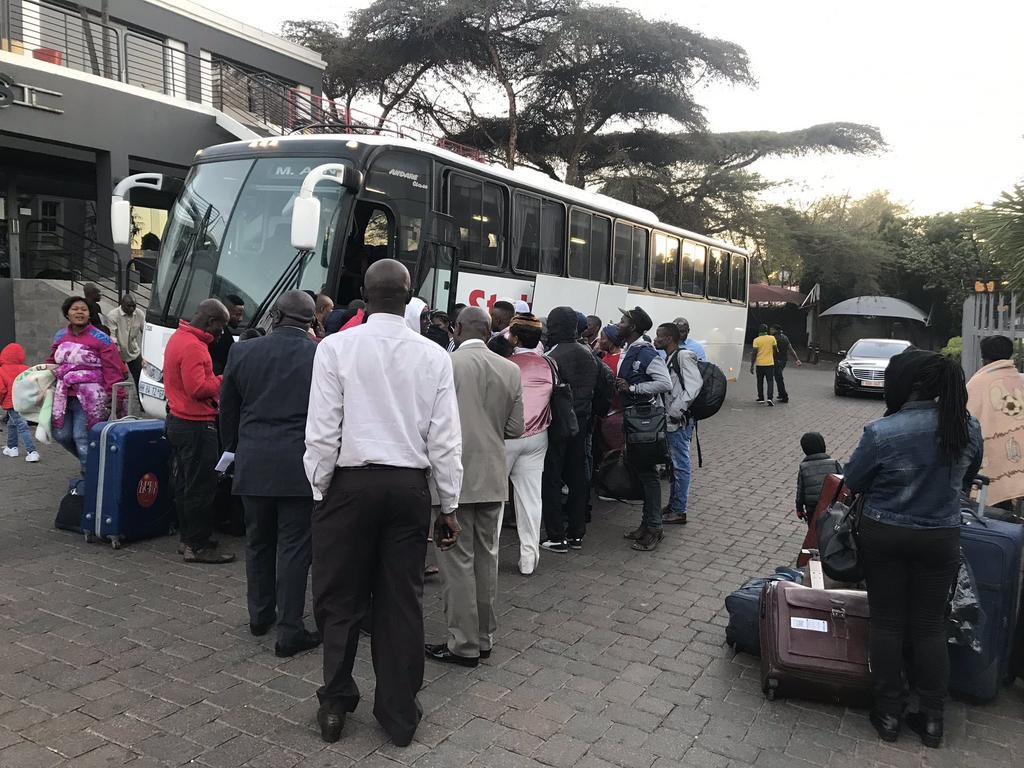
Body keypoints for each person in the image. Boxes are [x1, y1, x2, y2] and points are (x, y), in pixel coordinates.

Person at [304, 259, 463, 748]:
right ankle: (398, 714)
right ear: (410, 295)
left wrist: (319, 487)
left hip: (350, 485)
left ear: (366, 295)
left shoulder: (335, 348)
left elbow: (322, 430)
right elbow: (445, 440)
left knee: (339, 599)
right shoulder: (434, 356)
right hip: (407, 488)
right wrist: (448, 503)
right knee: (401, 603)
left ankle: (334, 701)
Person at [844, 349, 982, 748]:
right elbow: (968, 476)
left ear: (912, 384)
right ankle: (933, 719)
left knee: (887, 622)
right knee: (930, 625)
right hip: (941, 536)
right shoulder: (968, 429)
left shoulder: (883, 431)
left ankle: (889, 714)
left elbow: (854, 478)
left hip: (884, 533)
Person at [219, 291, 321, 658]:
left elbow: (227, 411)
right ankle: (290, 630)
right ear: (311, 321)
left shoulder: (243, 351)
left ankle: (260, 615)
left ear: (276, 315)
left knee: (258, 541)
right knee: (294, 549)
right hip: (300, 465)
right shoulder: (320, 355)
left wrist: (234, 449)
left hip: (254, 461)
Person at [426, 307, 523, 667]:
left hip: (453, 476)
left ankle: (462, 643)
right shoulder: (511, 370)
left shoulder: (446, 365)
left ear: (458, 329)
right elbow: (515, 428)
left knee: (456, 563)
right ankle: (483, 637)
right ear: (488, 331)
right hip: (493, 476)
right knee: (487, 559)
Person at [164, 299, 235, 565]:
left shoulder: (179, 338)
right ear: (211, 321)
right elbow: (198, 389)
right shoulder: (195, 347)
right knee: (201, 486)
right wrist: (223, 377)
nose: (222, 332)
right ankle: (198, 545)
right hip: (195, 424)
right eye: (222, 325)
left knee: (185, 483)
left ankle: (189, 538)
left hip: (179, 421)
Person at [540, 306, 606, 553]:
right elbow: (603, 386)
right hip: (583, 423)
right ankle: (577, 533)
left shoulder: (551, 356)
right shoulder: (588, 353)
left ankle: (556, 535)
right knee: (579, 478)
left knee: (552, 479)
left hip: (557, 425)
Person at [46, 296, 126, 474]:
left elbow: (113, 370)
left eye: (84, 309)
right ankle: (93, 461)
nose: (79, 312)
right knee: (61, 434)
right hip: (64, 396)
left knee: (81, 436)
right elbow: (52, 362)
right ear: (67, 313)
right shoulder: (60, 336)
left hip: (91, 398)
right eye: (75, 309)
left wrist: (117, 397)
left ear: (90, 314)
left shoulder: (101, 339)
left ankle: (90, 477)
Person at [616, 307, 672, 551]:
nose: (619, 324)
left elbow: (664, 383)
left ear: (634, 327)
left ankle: (655, 528)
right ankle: (647, 523)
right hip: (634, 420)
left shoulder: (647, 353)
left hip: (644, 423)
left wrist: (633, 389)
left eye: (623, 321)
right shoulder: (631, 350)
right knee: (641, 472)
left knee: (648, 475)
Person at [503, 314, 552, 575]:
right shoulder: (549, 364)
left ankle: (489, 553)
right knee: (531, 498)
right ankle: (529, 559)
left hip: (507, 437)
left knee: (496, 498)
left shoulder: (506, 364)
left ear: (516, 337)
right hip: (538, 435)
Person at [967, 335, 1024, 508]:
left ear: (983, 357)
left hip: (991, 461)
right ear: (1010, 355)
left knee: (996, 511)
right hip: (1019, 459)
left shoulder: (976, 383)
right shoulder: (1020, 380)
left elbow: (966, 418)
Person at [655, 323, 702, 526]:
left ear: (668, 338)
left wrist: (675, 412)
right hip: (672, 419)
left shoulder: (683, 356)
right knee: (674, 464)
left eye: (659, 336)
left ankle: (679, 510)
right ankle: (674, 505)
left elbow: (694, 386)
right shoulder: (671, 357)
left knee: (680, 465)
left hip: (679, 421)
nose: (656, 340)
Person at [0, 343, 39, 463]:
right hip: (24, 401)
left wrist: (1, 401)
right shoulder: (26, 369)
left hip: (11, 403)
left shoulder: (2, 370)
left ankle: (32, 451)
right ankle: (12, 447)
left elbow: (1, 389)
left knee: (22, 425)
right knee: (12, 423)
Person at [794, 432, 843, 524]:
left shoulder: (804, 467)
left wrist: (799, 508)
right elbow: (843, 482)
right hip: (833, 504)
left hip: (813, 507)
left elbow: (800, 491)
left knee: (814, 529)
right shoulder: (834, 463)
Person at [107, 294, 145, 388]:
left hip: (134, 351)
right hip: (118, 352)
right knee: (118, 379)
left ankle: (141, 401)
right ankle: (118, 399)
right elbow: (112, 337)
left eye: (134, 306)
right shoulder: (112, 315)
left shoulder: (139, 314)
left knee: (140, 378)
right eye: (129, 306)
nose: (132, 309)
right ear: (122, 304)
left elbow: (145, 332)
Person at [210, 294, 245, 375]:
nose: (241, 319)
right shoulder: (218, 337)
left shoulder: (224, 333)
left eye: (242, 315)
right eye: (237, 315)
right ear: (226, 312)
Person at [770, 323, 801, 404]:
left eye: (771, 329)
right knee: (778, 377)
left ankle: (784, 396)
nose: (770, 331)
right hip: (783, 360)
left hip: (776, 360)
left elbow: (772, 350)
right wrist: (797, 359)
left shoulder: (774, 338)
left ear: (775, 330)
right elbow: (791, 349)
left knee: (779, 378)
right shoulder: (785, 337)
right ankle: (781, 394)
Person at [750, 325, 778, 405]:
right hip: (770, 363)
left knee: (760, 381)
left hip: (759, 364)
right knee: (770, 381)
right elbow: (775, 349)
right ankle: (770, 398)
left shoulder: (756, 340)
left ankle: (761, 398)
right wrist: (773, 357)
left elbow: (754, 353)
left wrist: (752, 365)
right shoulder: (772, 338)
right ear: (767, 330)